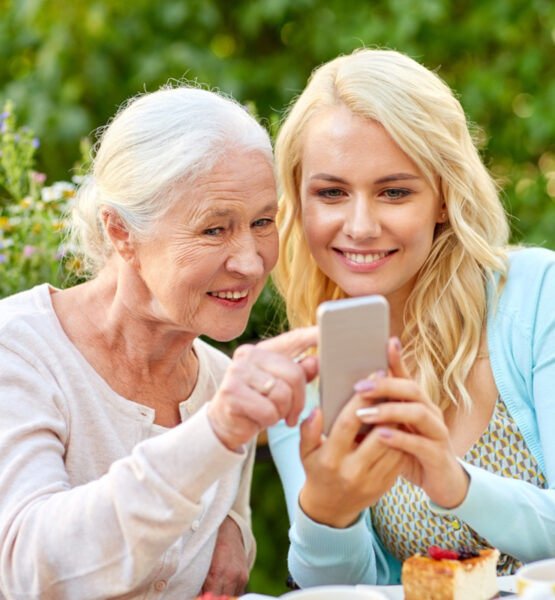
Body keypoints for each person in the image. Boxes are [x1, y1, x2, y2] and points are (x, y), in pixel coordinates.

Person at [0, 84, 318, 600]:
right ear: (122, 232)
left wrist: (235, 525)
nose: (251, 261)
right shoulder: (17, 350)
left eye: (263, 222)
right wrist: (216, 432)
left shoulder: (217, 379)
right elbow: (26, 567)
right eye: (214, 230)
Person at [268, 48, 555, 588]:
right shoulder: (305, 372)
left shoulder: (538, 295)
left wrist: (456, 483)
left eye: (394, 192)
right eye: (331, 193)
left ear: (444, 196)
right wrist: (327, 512)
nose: (360, 226)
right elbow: (344, 587)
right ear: (300, 202)